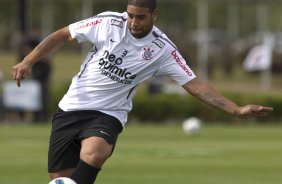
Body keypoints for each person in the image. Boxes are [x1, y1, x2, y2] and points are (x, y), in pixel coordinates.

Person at [12, 0, 273, 183]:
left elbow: (194, 84)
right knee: (60, 179)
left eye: (140, 16)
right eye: (130, 15)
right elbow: (62, 34)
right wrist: (28, 61)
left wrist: (235, 110)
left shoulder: (162, 49)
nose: (133, 22)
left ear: (154, 15)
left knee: (95, 152)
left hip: (108, 114)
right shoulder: (107, 23)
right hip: (70, 108)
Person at [18, 25, 51, 122]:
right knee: (30, 95)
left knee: (42, 96)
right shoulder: (28, 41)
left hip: (42, 74)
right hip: (32, 73)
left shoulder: (41, 41)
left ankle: (41, 117)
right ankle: (26, 116)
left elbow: (48, 59)